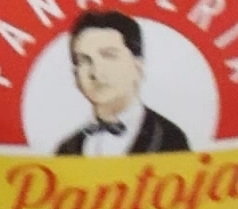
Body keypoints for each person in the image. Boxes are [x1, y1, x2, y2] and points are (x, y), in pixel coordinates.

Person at [54, 9, 191, 157]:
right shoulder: (67, 148)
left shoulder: (170, 137)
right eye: (84, 60)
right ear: (75, 75)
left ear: (137, 66)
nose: (96, 72)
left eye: (109, 56)